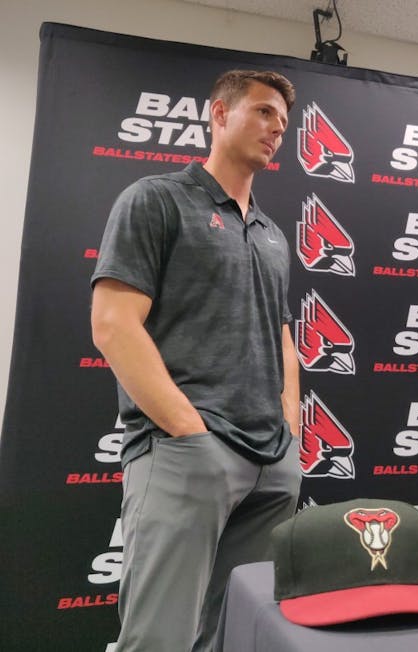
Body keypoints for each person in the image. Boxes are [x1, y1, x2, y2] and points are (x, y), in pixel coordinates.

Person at [90, 70, 302, 651]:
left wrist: (290, 428)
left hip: (270, 463)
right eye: (262, 112)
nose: (275, 129)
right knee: (160, 639)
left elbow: (281, 334)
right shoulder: (156, 199)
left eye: (282, 123)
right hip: (188, 453)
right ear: (219, 113)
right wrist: (188, 430)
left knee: (233, 635)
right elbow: (112, 324)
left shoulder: (272, 235)